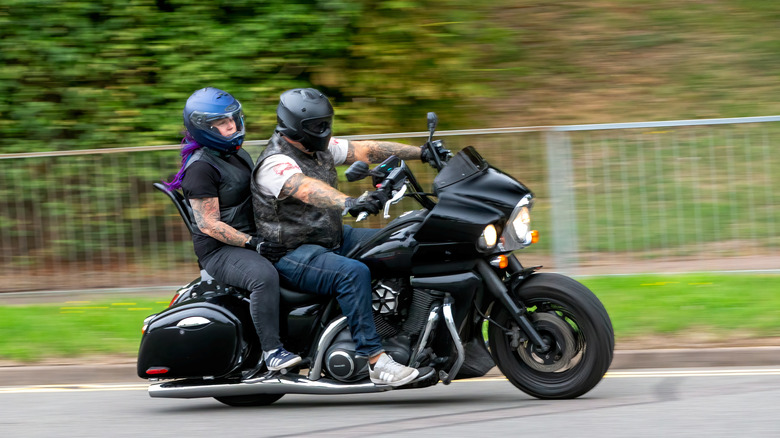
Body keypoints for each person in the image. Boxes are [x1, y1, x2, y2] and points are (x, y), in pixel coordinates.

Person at [250, 88, 449, 386]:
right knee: (352, 273)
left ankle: (408, 332)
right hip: (293, 252)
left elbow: (366, 150)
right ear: (295, 127)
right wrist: (349, 203)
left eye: (325, 123)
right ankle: (376, 360)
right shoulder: (275, 163)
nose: (325, 130)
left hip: (332, 237)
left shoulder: (317, 148)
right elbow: (305, 188)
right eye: (317, 126)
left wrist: (421, 152)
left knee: (402, 242)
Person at [166, 87, 301, 373]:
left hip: (249, 237)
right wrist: (254, 244)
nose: (231, 126)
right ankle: (272, 351)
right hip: (220, 250)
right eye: (221, 122)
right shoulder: (201, 169)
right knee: (263, 277)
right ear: (203, 127)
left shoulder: (236, 155)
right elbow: (208, 224)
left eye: (233, 119)